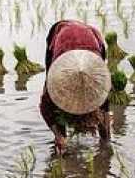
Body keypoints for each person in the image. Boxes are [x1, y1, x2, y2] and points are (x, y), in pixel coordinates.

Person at [40, 20, 112, 155]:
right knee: (53, 102)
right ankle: (62, 139)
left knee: (102, 107)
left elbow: (105, 108)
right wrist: (59, 135)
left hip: (92, 37)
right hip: (61, 34)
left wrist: (106, 141)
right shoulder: (56, 79)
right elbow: (45, 108)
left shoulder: (100, 81)